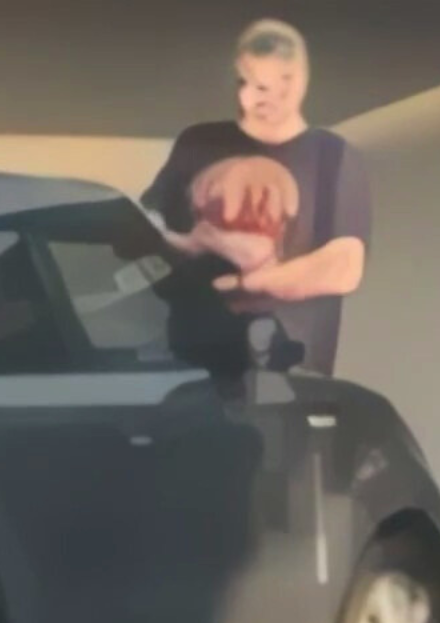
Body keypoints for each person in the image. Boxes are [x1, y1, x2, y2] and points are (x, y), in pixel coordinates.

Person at [141, 18, 372, 376]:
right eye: (241, 82)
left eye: (261, 87)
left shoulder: (332, 156)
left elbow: (344, 267)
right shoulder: (198, 142)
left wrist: (243, 283)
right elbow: (145, 226)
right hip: (192, 372)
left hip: (292, 378)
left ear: (292, 82)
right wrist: (190, 244)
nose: (246, 99)